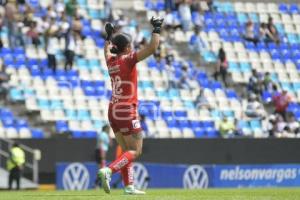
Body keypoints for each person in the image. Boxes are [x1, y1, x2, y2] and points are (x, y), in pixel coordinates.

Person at [98, 17, 163, 195]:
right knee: (136, 150)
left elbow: (106, 50)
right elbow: (152, 48)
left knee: (126, 151)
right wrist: (157, 28)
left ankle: (129, 186)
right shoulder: (128, 60)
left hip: (113, 110)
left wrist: (108, 36)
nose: (132, 47)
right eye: (130, 45)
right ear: (126, 48)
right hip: (127, 110)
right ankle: (109, 171)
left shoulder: (111, 62)